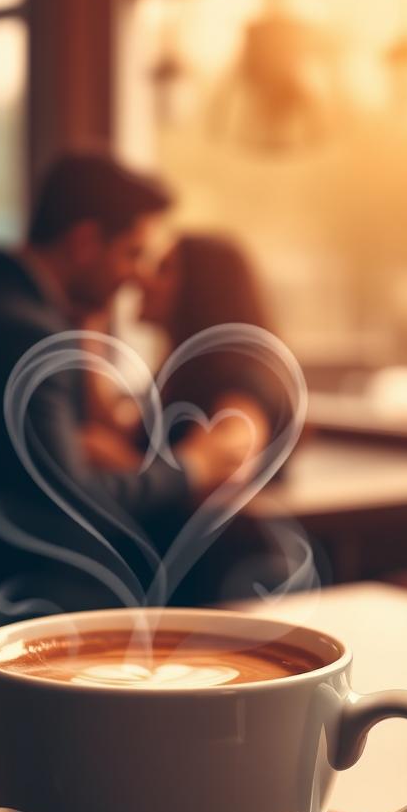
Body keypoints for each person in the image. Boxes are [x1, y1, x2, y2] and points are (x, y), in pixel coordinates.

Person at [0, 154, 239, 641]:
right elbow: (76, 501)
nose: (137, 277)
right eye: (131, 253)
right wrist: (193, 464)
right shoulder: (27, 335)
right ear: (85, 243)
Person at [81, 233, 295, 602]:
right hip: (175, 579)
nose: (143, 279)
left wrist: (111, 458)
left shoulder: (244, 373)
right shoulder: (187, 373)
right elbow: (124, 432)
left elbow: (225, 462)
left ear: (205, 290)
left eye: (163, 270)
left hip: (214, 589)